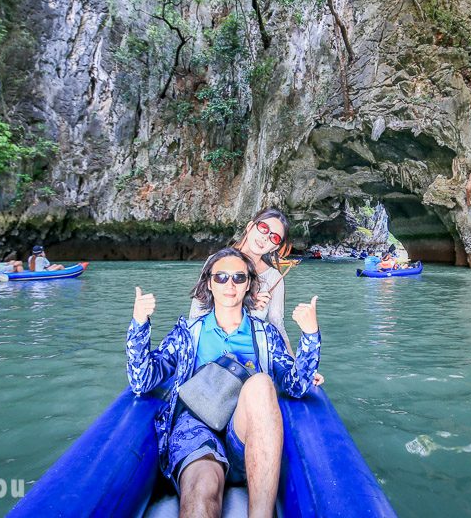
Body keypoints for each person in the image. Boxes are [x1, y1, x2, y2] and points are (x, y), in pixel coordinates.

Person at [127, 248, 321, 518]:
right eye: (221, 277)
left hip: (245, 433)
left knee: (262, 383)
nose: (229, 284)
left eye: (238, 278)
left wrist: (310, 334)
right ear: (209, 282)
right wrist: (139, 323)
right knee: (202, 486)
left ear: (249, 284)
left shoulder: (266, 335)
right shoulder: (187, 332)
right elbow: (142, 379)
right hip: (195, 427)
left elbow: (296, 385)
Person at [189, 208, 324, 386]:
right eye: (263, 228)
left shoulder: (274, 277)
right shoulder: (218, 262)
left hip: (250, 366)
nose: (265, 238)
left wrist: (298, 367)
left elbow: (278, 327)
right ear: (250, 226)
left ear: (276, 246)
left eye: (274, 237)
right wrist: (246, 304)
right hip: (209, 357)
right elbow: (196, 316)